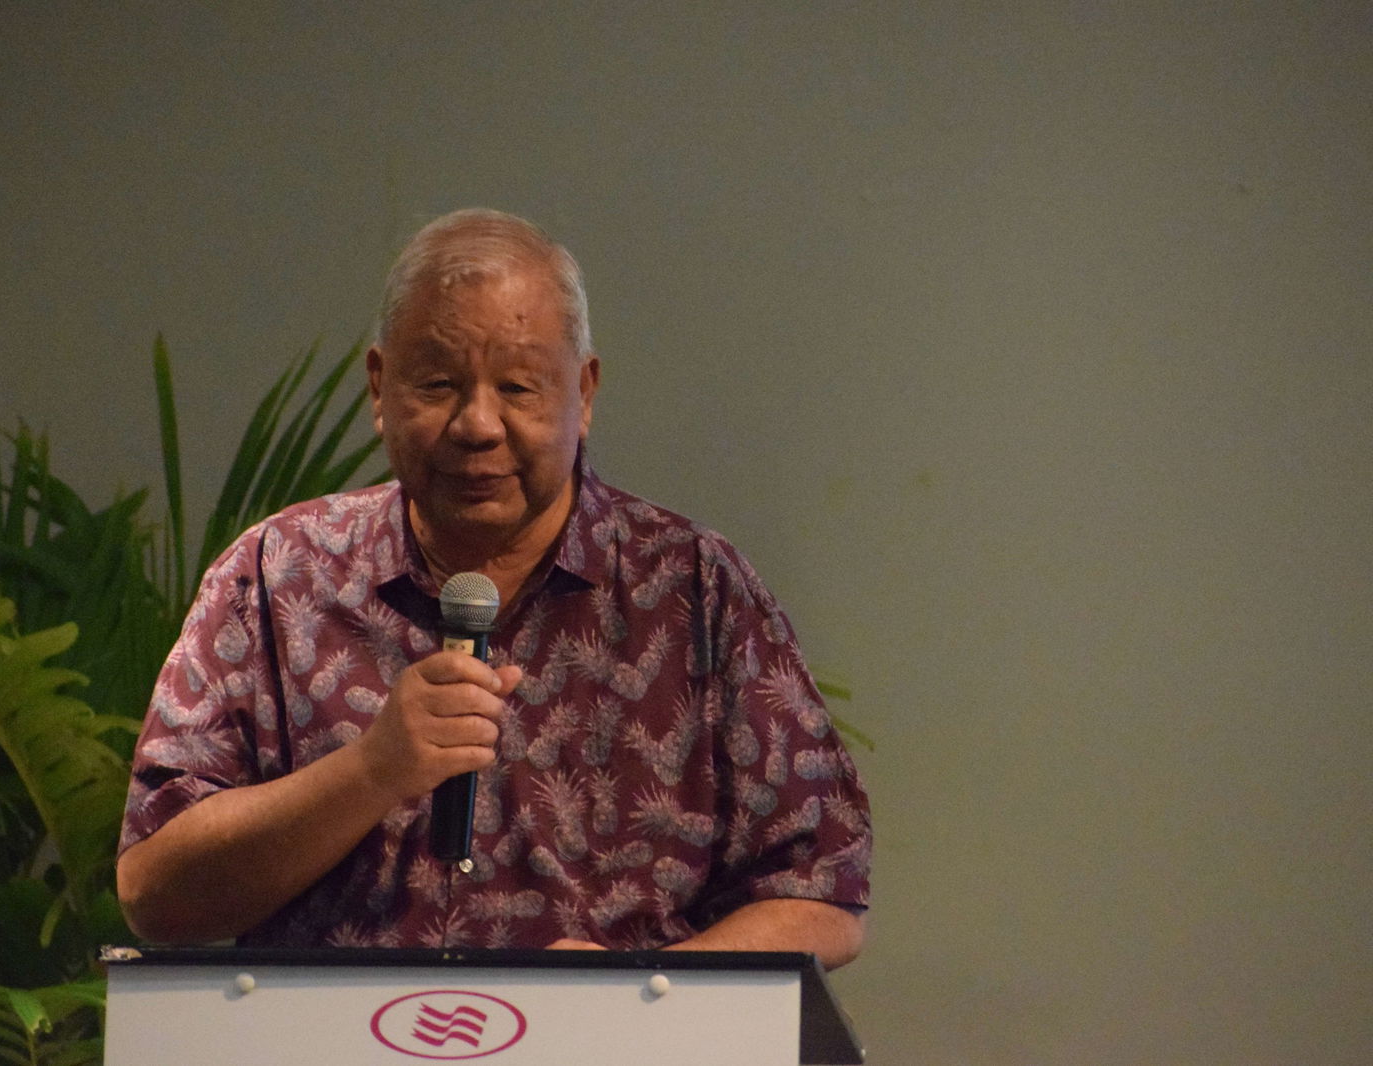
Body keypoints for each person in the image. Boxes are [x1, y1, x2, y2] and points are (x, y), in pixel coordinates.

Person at [116, 209, 870, 967]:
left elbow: (821, 896)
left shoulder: (696, 590)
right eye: (439, 383)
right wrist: (370, 771)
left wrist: (638, 993)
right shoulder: (277, 578)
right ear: (379, 388)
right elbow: (155, 894)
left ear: (585, 393)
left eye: (518, 386)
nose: (478, 424)